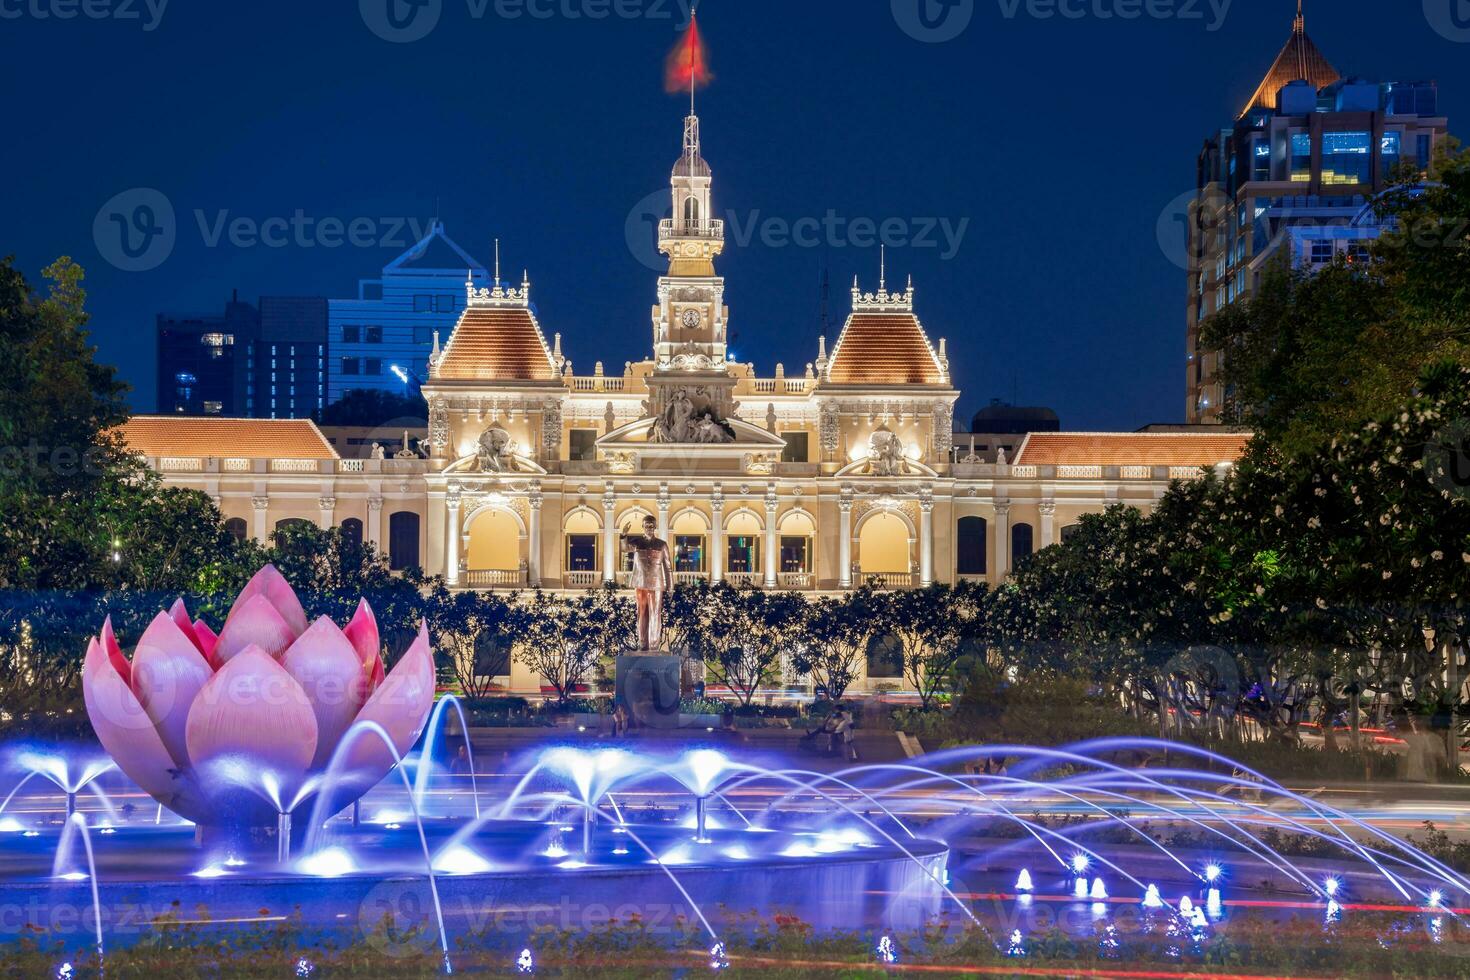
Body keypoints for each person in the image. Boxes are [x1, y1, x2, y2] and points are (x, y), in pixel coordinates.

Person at [621, 515, 674, 651]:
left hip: (656, 584)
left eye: (651, 526)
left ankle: (654, 645)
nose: (649, 528)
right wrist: (623, 535)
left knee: (655, 614)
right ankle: (643, 644)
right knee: (642, 613)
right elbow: (624, 548)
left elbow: (668, 567)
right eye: (646, 525)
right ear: (643, 527)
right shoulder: (637, 543)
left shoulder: (662, 544)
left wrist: (670, 587)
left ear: (655, 527)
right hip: (641, 583)